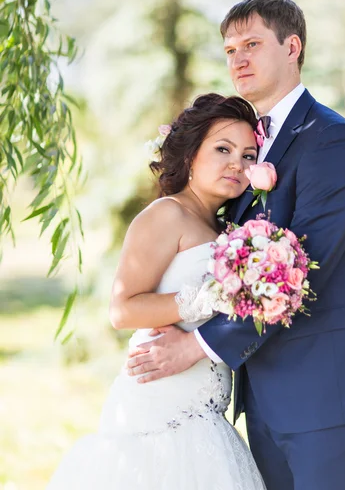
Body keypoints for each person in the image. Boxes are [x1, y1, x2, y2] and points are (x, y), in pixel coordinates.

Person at [126, 0, 345, 490]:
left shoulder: (331, 141)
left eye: (252, 44)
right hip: (260, 400)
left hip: (328, 395)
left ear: (292, 46)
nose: (238, 60)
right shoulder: (246, 147)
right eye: (230, 49)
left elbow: (302, 267)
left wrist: (197, 345)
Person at [46, 94, 267, 489]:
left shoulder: (228, 230)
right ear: (190, 156)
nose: (238, 163)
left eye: (249, 155)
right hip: (158, 403)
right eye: (223, 149)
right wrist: (212, 297)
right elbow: (122, 309)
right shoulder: (166, 214)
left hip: (206, 408)